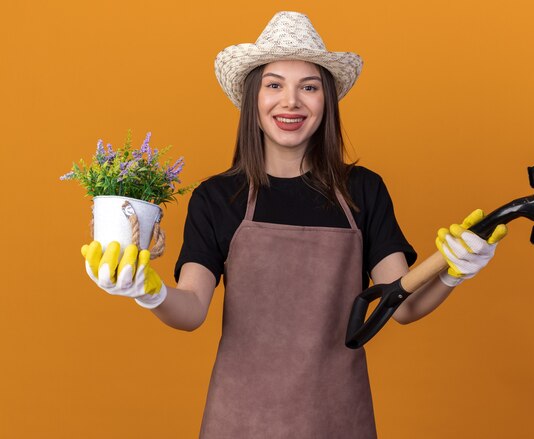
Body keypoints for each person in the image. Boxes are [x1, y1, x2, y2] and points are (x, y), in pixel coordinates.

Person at [81, 11, 507, 438]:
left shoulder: (363, 191)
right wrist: (146, 291)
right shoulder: (217, 198)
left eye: (309, 87)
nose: (291, 102)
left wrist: (455, 271)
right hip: (240, 421)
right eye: (274, 85)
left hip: (338, 419)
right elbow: (192, 309)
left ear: (327, 102)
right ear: (254, 99)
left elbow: (403, 304)